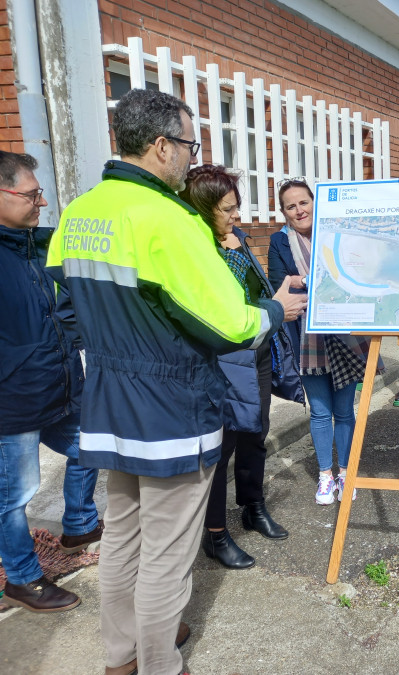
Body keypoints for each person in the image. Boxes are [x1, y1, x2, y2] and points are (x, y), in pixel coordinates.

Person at [45, 89, 305, 675]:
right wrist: (274, 311)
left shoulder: (80, 211)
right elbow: (228, 324)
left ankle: (120, 657)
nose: (191, 156)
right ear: (161, 146)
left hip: (109, 401)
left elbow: (64, 309)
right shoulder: (171, 219)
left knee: (121, 538)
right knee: (166, 555)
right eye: (188, 144)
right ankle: (161, 664)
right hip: (171, 409)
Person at [180, 165, 300, 570]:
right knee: (222, 445)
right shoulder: (197, 250)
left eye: (237, 207)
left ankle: (253, 505)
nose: (236, 216)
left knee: (255, 433)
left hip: (257, 350)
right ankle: (214, 534)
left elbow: (256, 292)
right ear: (201, 209)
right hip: (224, 358)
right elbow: (219, 309)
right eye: (228, 209)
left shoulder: (238, 240)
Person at [0, 151, 102, 612]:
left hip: (59, 386)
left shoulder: (34, 245)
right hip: (12, 400)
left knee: (92, 446)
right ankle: (22, 579)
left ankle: (79, 522)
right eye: (31, 194)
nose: (41, 201)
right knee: (13, 496)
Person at [268, 178, 380, 505]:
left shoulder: (336, 236)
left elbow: (359, 273)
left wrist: (309, 279)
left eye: (304, 202)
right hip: (306, 338)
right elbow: (279, 284)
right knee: (319, 411)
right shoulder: (279, 242)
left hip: (345, 334)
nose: (299, 210)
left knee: (344, 411)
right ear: (284, 212)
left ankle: (346, 472)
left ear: (314, 203)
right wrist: (309, 278)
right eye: (291, 206)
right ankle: (325, 476)